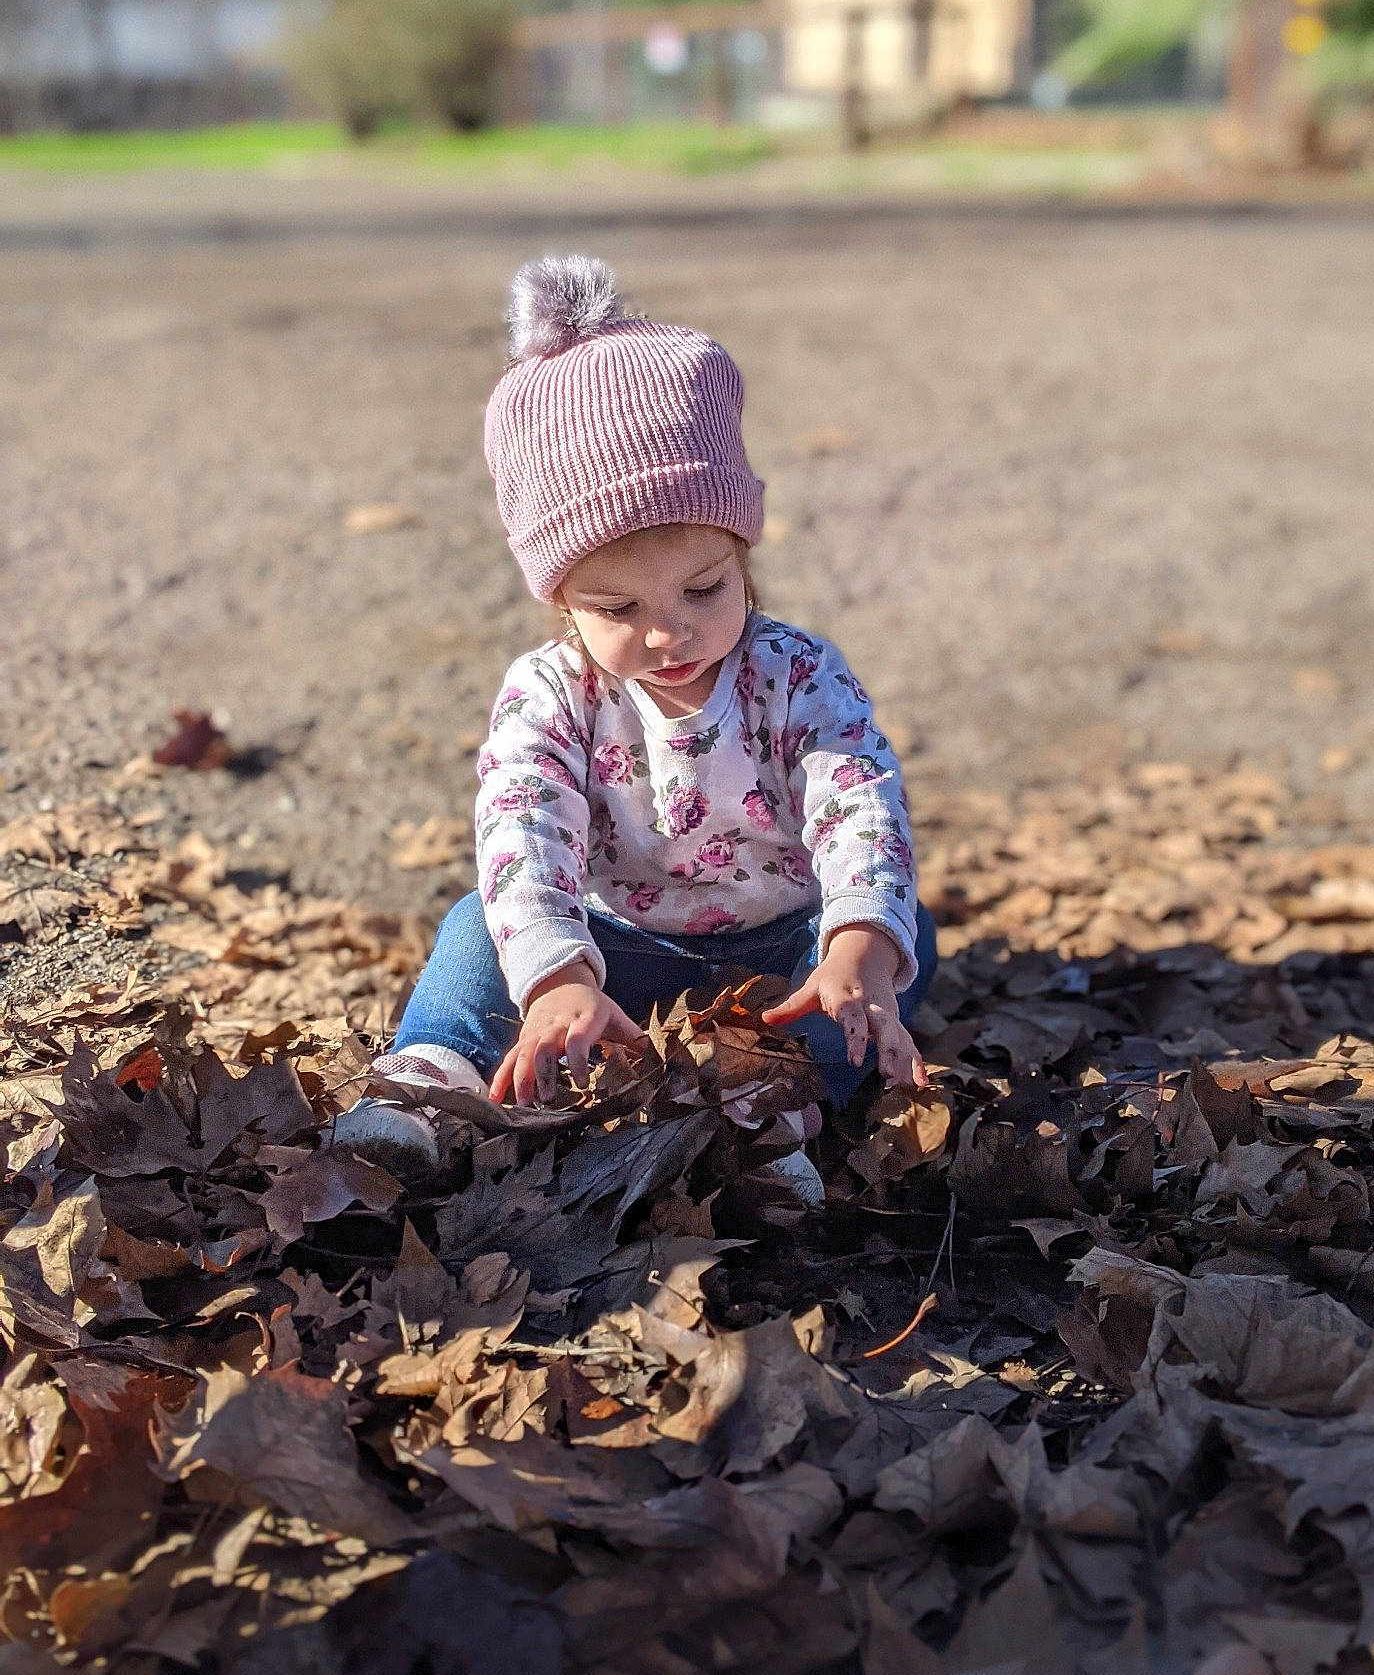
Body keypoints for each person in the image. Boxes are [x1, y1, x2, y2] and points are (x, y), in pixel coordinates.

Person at [335, 255, 937, 1182]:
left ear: (742, 553)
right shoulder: (552, 692)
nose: (667, 631)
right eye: (617, 609)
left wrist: (859, 937)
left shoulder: (797, 670)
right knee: (474, 924)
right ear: (564, 600)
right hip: (617, 948)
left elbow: (856, 799)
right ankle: (427, 1081)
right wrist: (558, 975)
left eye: (704, 588)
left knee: (898, 940)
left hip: (781, 944)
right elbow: (522, 826)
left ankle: (776, 1105)